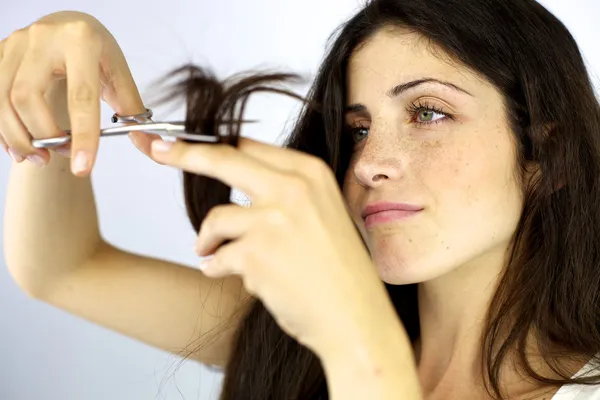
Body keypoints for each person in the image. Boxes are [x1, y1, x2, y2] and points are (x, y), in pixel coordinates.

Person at [2, 0, 600, 399]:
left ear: (543, 159)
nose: (368, 165)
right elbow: (62, 268)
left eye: (428, 112)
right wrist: (55, 83)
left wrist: (357, 343)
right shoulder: (292, 338)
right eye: (356, 129)